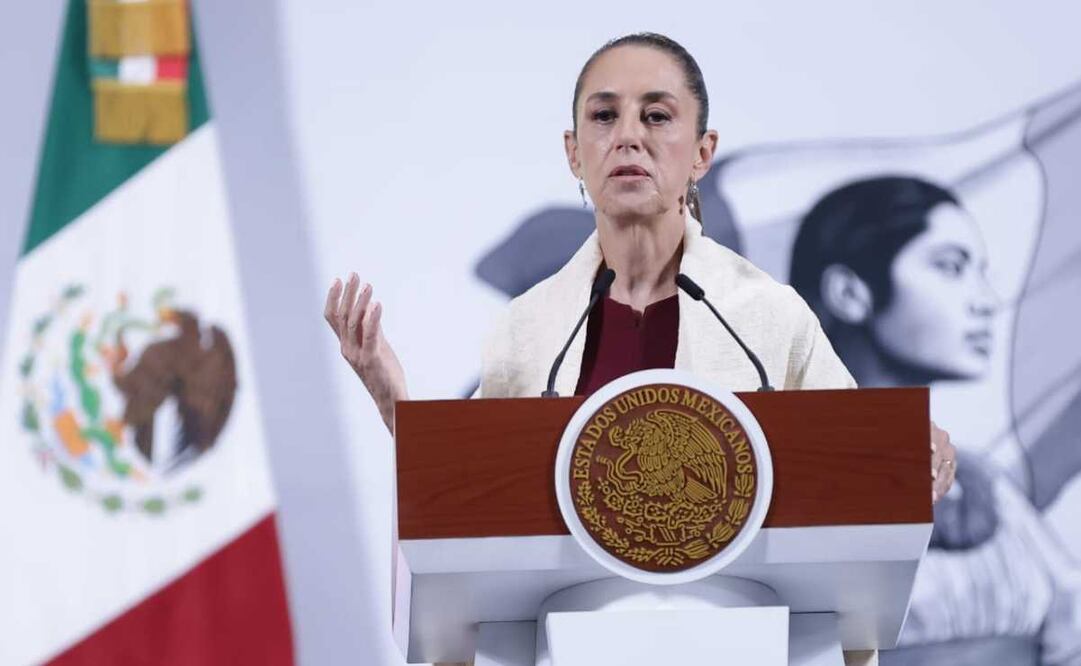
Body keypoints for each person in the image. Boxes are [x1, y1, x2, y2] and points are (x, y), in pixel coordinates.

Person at [323, 33, 954, 503]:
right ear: (573, 153)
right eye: (603, 117)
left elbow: (869, 467)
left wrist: (920, 452)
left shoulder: (768, 318)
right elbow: (467, 495)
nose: (628, 137)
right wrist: (392, 397)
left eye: (656, 116)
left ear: (703, 153)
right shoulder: (529, 331)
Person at [790, 175, 1081, 665]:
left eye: (981, 271)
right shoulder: (778, 477)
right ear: (849, 292)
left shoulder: (987, 486)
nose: (987, 300)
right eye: (950, 267)